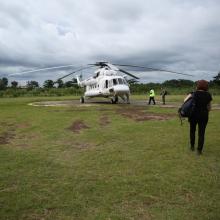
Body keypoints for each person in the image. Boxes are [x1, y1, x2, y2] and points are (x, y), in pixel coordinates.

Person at [186, 80, 212, 155]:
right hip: (204, 116)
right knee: (201, 133)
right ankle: (199, 150)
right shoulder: (208, 95)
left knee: (192, 131)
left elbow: (185, 101)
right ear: (206, 86)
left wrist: (190, 94)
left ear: (198, 86)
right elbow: (209, 108)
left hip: (193, 115)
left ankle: (192, 147)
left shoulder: (194, 94)